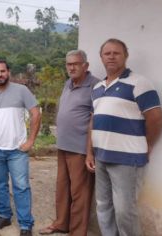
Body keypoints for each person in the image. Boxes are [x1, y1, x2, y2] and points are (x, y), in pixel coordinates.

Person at [86, 38, 162, 236]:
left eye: (116, 53)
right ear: (101, 57)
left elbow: (156, 119)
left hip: (127, 158)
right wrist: (89, 153)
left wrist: (147, 144)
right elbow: (94, 121)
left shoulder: (139, 83)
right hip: (101, 156)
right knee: (103, 206)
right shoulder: (97, 88)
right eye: (107, 53)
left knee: (124, 211)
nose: (111, 56)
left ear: (125, 56)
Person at [0, 60, 41, 236]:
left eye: (2, 71)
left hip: (18, 150)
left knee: (21, 186)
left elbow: (35, 113)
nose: (0, 75)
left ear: (8, 72)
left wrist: (31, 141)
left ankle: (25, 224)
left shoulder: (22, 90)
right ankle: (4, 216)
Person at [39, 50, 100, 236]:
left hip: (80, 148)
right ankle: (61, 223)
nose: (71, 67)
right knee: (62, 188)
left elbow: (94, 119)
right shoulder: (68, 83)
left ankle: (77, 231)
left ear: (85, 66)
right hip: (63, 146)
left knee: (80, 193)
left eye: (76, 63)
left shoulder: (95, 86)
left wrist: (90, 152)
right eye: (68, 64)